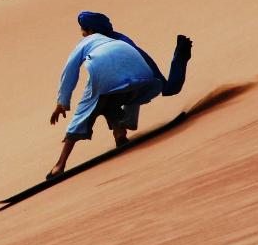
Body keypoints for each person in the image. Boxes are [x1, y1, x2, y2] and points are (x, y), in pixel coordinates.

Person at [47, 11, 192, 179]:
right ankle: (120, 133)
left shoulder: (86, 42)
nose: (82, 33)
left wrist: (62, 102)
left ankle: (59, 165)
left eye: (83, 30)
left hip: (104, 72)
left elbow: (70, 71)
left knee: (85, 111)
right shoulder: (120, 39)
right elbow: (142, 62)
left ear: (90, 31)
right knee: (116, 95)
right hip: (138, 75)